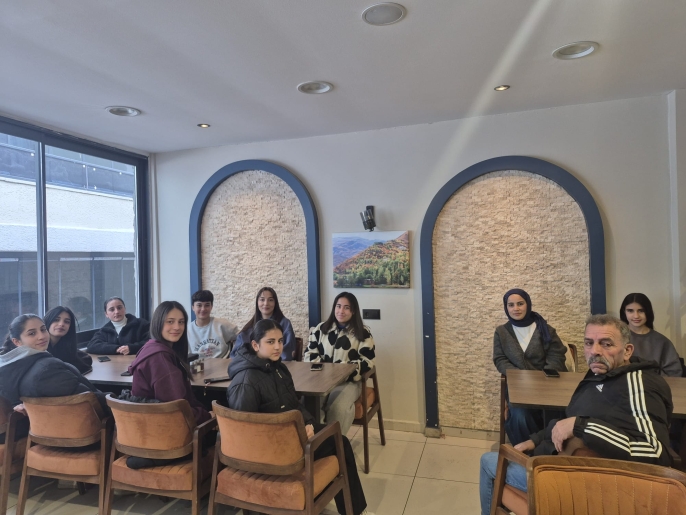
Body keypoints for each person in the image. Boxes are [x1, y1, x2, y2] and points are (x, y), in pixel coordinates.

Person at [480, 314, 673, 515]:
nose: (595, 351)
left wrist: (581, 426)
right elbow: (569, 419)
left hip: (585, 485)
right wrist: (535, 440)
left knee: (488, 462)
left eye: (606, 344)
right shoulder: (598, 376)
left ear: (627, 351)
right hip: (562, 465)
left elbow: (656, 452)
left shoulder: (640, 385)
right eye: (589, 343)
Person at [227, 319, 372, 515]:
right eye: (270, 342)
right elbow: (244, 432)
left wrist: (308, 424)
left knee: (338, 439)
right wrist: (292, 435)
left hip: (290, 436)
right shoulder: (246, 381)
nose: (277, 347)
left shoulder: (278, 368)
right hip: (272, 449)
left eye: (280, 341)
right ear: (255, 345)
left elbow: (295, 404)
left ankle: (349, 509)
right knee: (339, 443)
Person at [0, 314, 109, 443]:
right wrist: (115, 399)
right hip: (76, 438)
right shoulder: (48, 369)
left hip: (34, 434)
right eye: (32, 333)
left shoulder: (8, 366)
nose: (41, 336)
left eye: (43, 329)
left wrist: (14, 405)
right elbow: (91, 400)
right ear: (17, 342)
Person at [493, 288, 568, 445]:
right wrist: (520, 376)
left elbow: (557, 354)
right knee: (521, 416)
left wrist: (542, 378)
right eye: (511, 305)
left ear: (528, 304)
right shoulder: (501, 332)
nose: (516, 308)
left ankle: (547, 448)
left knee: (553, 415)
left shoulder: (544, 328)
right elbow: (500, 359)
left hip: (547, 385)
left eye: (520, 303)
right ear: (506, 308)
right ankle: (527, 451)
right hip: (518, 386)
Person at [128, 301, 210, 425]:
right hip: (162, 429)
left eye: (181, 322)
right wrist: (207, 416)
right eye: (170, 322)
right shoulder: (160, 358)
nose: (177, 327)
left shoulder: (151, 346)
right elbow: (178, 410)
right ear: (158, 323)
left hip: (147, 424)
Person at [305, 292, 375, 436]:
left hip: (350, 382)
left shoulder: (363, 333)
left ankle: (336, 444)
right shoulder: (319, 330)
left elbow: (367, 361)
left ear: (353, 311)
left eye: (346, 308)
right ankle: (318, 441)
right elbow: (309, 355)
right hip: (321, 381)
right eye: (338, 306)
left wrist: (343, 371)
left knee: (338, 407)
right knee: (311, 403)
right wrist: (325, 373)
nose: (341, 311)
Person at [620, 293, 682, 377]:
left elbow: (674, 373)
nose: (636, 316)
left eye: (641, 311)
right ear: (624, 312)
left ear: (648, 312)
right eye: (630, 311)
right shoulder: (615, 338)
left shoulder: (662, 342)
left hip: (654, 384)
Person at [230, 287, 296, 360]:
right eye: (262, 300)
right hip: (251, 365)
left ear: (275, 303)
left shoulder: (285, 323)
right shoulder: (249, 327)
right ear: (257, 302)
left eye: (270, 300)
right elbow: (236, 355)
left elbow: (287, 353)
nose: (266, 303)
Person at [187, 289, 238, 358]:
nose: (203, 309)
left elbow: (241, 336)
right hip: (197, 364)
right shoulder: (187, 331)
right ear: (193, 307)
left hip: (222, 363)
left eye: (207, 305)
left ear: (211, 307)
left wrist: (234, 355)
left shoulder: (222, 324)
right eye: (199, 305)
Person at [44, 306, 93, 374]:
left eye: (66, 322)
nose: (61, 324)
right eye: (56, 320)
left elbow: (85, 360)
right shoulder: (40, 347)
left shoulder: (65, 346)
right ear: (48, 321)